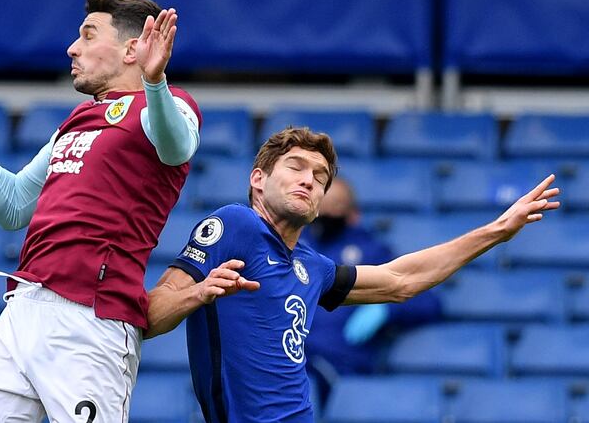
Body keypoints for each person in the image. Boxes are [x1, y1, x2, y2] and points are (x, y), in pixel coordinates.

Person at [0, 0, 202, 423]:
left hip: (90, 321)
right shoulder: (77, 119)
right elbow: (12, 206)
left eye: (88, 35)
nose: (73, 47)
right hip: (23, 308)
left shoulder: (169, 104)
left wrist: (155, 80)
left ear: (132, 48)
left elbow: (175, 145)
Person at [146, 127, 559, 423]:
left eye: (320, 177)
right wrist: (198, 294)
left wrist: (497, 232)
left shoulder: (313, 268)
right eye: (295, 167)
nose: (309, 179)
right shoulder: (235, 225)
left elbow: (401, 282)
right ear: (258, 179)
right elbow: (151, 315)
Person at [301, 177, 442, 409]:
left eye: (335, 205)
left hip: (336, 365)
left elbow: (427, 300)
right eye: (319, 204)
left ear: (353, 214)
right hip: (287, 356)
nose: (324, 212)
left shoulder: (372, 251)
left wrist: (386, 309)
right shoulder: (295, 244)